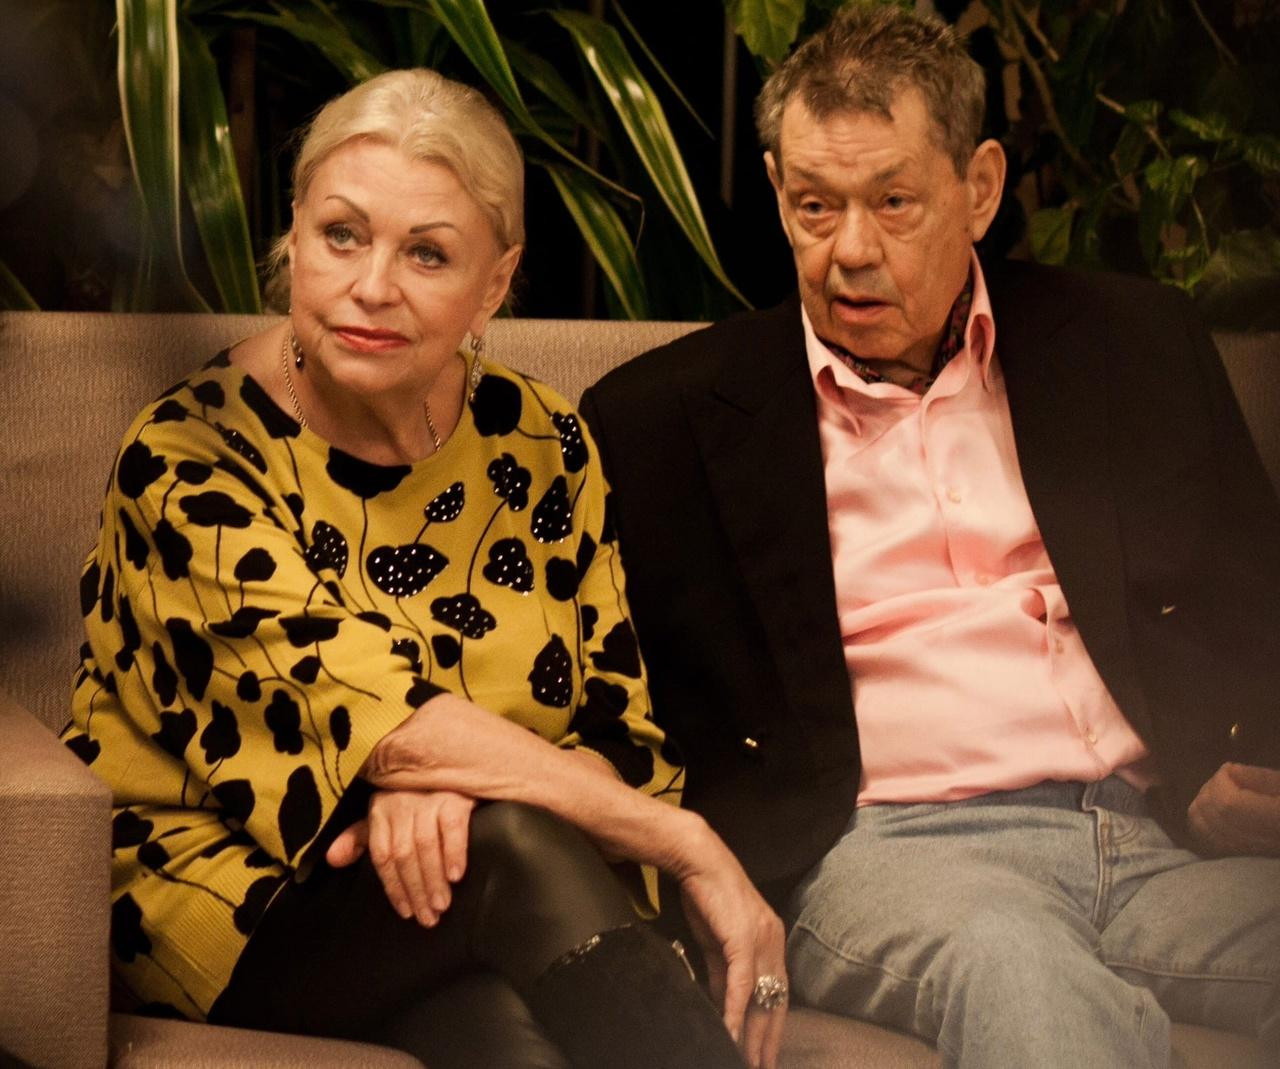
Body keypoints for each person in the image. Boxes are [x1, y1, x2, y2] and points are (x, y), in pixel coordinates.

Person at [579, 7, 1280, 1068]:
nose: (849, 251)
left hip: (1154, 835)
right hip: (893, 855)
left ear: (979, 187)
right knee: (1020, 969)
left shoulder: (1132, 345)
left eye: (893, 202)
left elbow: (1255, 597)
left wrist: (1244, 756)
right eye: (814, 206)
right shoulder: (660, 419)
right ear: (775, 190)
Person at [61, 68, 787, 1069]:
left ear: (494, 283)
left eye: (427, 252)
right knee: (512, 852)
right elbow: (375, 728)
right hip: (232, 892)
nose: (372, 286)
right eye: (341, 235)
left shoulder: (542, 442)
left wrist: (456, 787)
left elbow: (616, 731)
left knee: (495, 1027)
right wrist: (684, 842)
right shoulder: (190, 457)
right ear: (293, 237)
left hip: (463, 900)